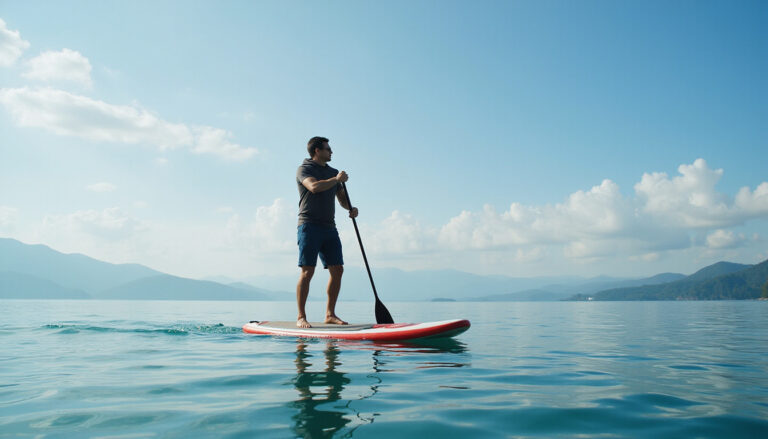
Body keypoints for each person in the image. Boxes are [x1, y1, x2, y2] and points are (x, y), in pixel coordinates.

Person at [295, 136, 358, 328]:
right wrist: (336, 179)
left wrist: (351, 208)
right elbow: (314, 187)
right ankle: (301, 317)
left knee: (338, 269)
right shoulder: (304, 169)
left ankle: (330, 314)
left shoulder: (332, 172)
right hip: (308, 225)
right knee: (308, 271)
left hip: (329, 227)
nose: (331, 152)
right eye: (328, 149)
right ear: (317, 151)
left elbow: (341, 198)